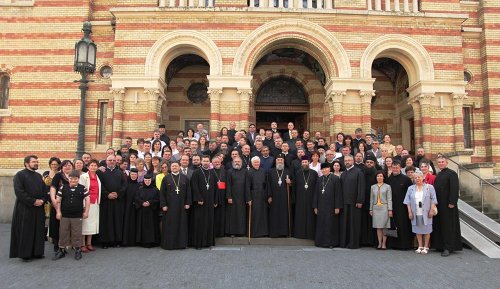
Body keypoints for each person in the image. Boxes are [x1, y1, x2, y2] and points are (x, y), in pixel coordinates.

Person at [10, 155, 47, 262]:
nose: (36, 163)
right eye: (34, 161)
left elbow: (45, 190)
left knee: (38, 230)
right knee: (26, 230)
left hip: (39, 208)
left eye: (37, 161)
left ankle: (37, 252)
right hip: (25, 208)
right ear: (26, 163)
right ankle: (25, 254)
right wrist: (33, 201)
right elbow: (19, 192)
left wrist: (43, 200)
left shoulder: (39, 176)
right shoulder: (20, 175)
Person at [52, 170, 90, 261]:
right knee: (63, 232)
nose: (73, 180)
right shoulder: (63, 188)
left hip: (77, 215)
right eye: (71, 179)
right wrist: (58, 212)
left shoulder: (83, 188)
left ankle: (77, 250)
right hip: (65, 214)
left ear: (78, 179)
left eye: (75, 179)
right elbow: (58, 200)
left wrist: (86, 212)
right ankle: (62, 250)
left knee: (77, 233)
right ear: (68, 179)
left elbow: (87, 200)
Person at [432, 156, 462, 257]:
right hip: (439, 204)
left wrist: (452, 202)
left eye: (442, 162)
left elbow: (454, 188)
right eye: (439, 162)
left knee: (448, 226)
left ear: (447, 163)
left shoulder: (452, 173)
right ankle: (440, 245)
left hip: (448, 205)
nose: (440, 163)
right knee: (440, 225)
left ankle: (448, 247)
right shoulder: (439, 174)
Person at [404, 171, 438, 255]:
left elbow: (434, 199)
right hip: (415, 212)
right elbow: (407, 201)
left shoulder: (429, 187)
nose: (417, 179)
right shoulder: (410, 188)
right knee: (417, 230)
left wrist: (431, 210)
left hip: (426, 212)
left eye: (419, 177)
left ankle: (426, 246)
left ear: (423, 178)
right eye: (415, 178)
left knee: (427, 230)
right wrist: (410, 212)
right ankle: (420, 246)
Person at [160, 162, 192, 250]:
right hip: (170, 207)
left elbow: (189, 191)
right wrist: (163, 204)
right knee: (170, 225)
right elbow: (162, 193)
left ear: (179, 167)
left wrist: (188, 203)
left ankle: (181, 244)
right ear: (170, 167)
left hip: (182, 206)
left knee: (181, 224)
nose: (174, 167)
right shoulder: (166, 178)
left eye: (176, 166)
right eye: (173, 166)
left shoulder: (185, 178)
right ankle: (170, 244)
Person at [97, 154, 127, 248]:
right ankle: (105, 241)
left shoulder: (120, 172)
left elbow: (124, 185)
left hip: (118, 201)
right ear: (106, 161)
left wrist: (118, 194)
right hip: (106, 201)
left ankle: (117, 240)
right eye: (110, 160)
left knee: (117, 220)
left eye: (113, 160)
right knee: (106, 221)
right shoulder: (101, 172)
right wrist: (107, 194)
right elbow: (99, 185)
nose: (112, 162)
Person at [189, 155, 218, 249]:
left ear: (209, 162)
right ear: (201, 162)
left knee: (209, 221)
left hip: (210, 202)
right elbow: (194, 187)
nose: (205, 163)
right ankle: (198, 244)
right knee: (199, 222)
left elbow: (215, 188)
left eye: (207, 161)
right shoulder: (196, 172)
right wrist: (199, 199)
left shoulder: (212, 173)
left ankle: (207, 242)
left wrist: (215, 200)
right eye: (204, 161)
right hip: (200, 202)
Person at [313, 163, 343, 248]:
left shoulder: (335, 179)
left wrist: (337, 207)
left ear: (329, 169)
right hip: (321, 206)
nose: (324, 170)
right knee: (321, 224)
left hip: (331, 206)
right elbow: (316, 193)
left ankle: (331, 243)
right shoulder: (319, 179)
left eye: (326, 169)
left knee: (330, 224)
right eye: (322, 169)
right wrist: (315, 206)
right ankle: (320, 242)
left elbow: (338, 193)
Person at [386, 161, 414, 250]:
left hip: (403, 207)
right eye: (393, 168)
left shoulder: (406, 179)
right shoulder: (388, 179)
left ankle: (404, 245)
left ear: (400, 168)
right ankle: (392, 244)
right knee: (392, 224)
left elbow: (410, 194)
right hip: (391, 206)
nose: (395, 169)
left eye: (396, 167)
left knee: (403, 225)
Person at [339, 155, 365, 249]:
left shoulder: (358, 172)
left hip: (355, 203)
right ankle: (345, 242)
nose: (347, 162)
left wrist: (360, 200)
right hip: (345, 202)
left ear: (353, 161)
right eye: (345, 160)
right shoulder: (344, 173)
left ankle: (354, 243)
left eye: (349, 160)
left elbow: (361, 187)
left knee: (354, 224)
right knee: (345, 223)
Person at [49, 159, 74, 252]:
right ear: (62, 167)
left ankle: (65, 244)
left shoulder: (74, 176)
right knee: (57, 225)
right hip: (58, 203)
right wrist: (53, 199)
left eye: (69, 165)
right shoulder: (58, 175)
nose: (67, 167)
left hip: (69, 204)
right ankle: (57, 245)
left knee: (66, 225)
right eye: (65, 165)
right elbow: (53, 187)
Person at [267, 154, 293, 237]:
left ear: (284, 161)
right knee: (274, 214)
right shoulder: (271, 171)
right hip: (274, 197)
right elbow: (268, 184)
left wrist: (290, 182)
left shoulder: (288, 171)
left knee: (284, 214)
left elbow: (293, 184)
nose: (280, 161)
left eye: (281, 160)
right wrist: (269, 195)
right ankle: (274, 233)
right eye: (278, 160)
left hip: (285, 197)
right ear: (275, 161)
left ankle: (284, 232)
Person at [79, 159, 101, 252]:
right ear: (88, 167)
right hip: (86, 203)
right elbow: (81, 191)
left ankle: (89, 243)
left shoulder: (97, 176)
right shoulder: (84, 176)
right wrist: (83, 204)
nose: (93, 167)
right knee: (85, 223)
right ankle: (82, 244)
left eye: (95, 165)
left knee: (92, 223)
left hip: (95, 202)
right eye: (91, 165)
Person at [293, 156, 318, 240]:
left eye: (306, 162)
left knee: (310, 217)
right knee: (301, 216)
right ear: (301, 163)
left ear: (308, 162)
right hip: (300, 199)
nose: (304, 164)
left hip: (311, 199)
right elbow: (294, 187)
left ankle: (310, 234)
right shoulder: (298, 173)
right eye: (303, 162)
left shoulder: (314, 173)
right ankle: (300, 234)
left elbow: (317, 187)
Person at [225, 157, 251, 236]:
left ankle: (241, 232)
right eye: (235, 161)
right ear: (233, 162)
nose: (237, 163)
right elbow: (228, 185)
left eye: (238, 161)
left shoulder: (245, 171)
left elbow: (247, 185)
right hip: (233, 196)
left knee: (241, 215)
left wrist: (248, 198)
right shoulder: (229, 172)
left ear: (241, 162)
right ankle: (232, 232)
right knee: (233, 215)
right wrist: (229, 197)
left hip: (242, 197)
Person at [135, 174, 160, 248]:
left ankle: (153, 241)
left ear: (151, 181)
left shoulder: (155, 190)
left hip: (152, 212)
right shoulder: (140, 189)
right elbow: (136, 198)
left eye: (149, 180)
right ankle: (143, 242)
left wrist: (150, 202)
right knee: (142, 226)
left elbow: (158, 199)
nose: (147, 182)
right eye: (146, 180)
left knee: (152, 226)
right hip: (142, 212)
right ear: (143, 181)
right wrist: (142, 203)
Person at [369, 171, 393, 250]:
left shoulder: (387, 186)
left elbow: (389, 199)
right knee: (378, 227)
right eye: (378, 176)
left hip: (384, 208)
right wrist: (371, 209)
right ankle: (379, 243)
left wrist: (390, 209)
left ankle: (384, 244)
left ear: (383, 177)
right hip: (376, 208)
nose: (379, 177)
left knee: (384, 227)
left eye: (381, 176)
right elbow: (371, 199)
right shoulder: (373, 187)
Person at [247, 156, 269, 237]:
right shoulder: (249, 172)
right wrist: (248, 198)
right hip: (253, 195)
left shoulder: (263, 171)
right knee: (255, 214)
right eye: (255, 162)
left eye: (258, 162)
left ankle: (263, 232)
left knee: (263, 214)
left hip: (262, 195)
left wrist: (267, 195)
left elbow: (266, 184)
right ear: (252, 163)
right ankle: (254, 233)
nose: (256, 164)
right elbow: (247, 186)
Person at [360, 155, 377, 247]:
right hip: (363, 200)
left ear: (374, 163)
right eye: (367, 162)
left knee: (373, 221)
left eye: (371, 162)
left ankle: (372, 241)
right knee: (363, 221)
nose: (369, 164)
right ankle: (364, 240)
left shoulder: (377, 173)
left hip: (374, 201)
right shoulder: (361, 172)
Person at [122, 168, 140, 247]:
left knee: (136, 223)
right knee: (127, 223)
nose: (133, 176)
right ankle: (126, 241)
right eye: (132, 174)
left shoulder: (139, 185)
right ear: (129, 175)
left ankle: (135, 241)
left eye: (135, 175)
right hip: (127, 207)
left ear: (137, 176)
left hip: (136, 207)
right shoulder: (126, 184)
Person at [212, 156, 227, 238]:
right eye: (215, 162)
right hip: (214, 196)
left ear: (221, 162)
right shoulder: (211, 172)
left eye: (218, 162)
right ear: (212, 163)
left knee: (222, 215)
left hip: (223, 195)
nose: (217, 163)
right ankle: (214, 232)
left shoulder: (224, 171)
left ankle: (221, 232)